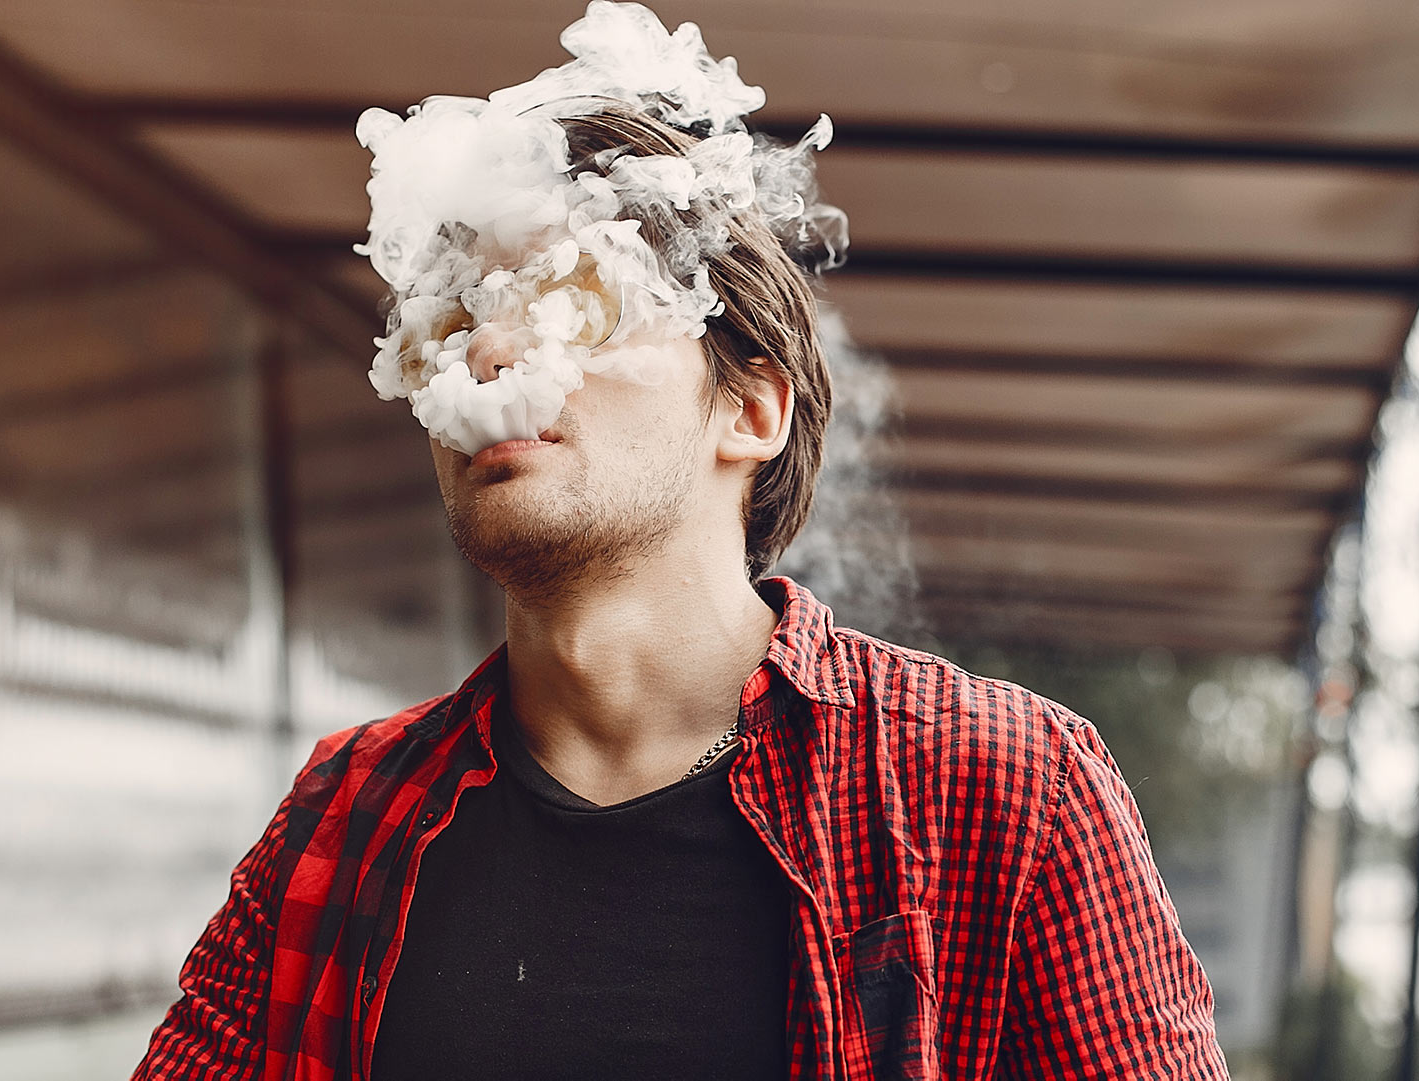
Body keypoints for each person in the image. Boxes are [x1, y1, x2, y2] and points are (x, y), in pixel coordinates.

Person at [135, 5, 1226, 1078]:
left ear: (750, 411)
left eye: (576, 303)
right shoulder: (347, 809)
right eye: (458, 318)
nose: (492, 353)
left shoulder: (1003, 792)